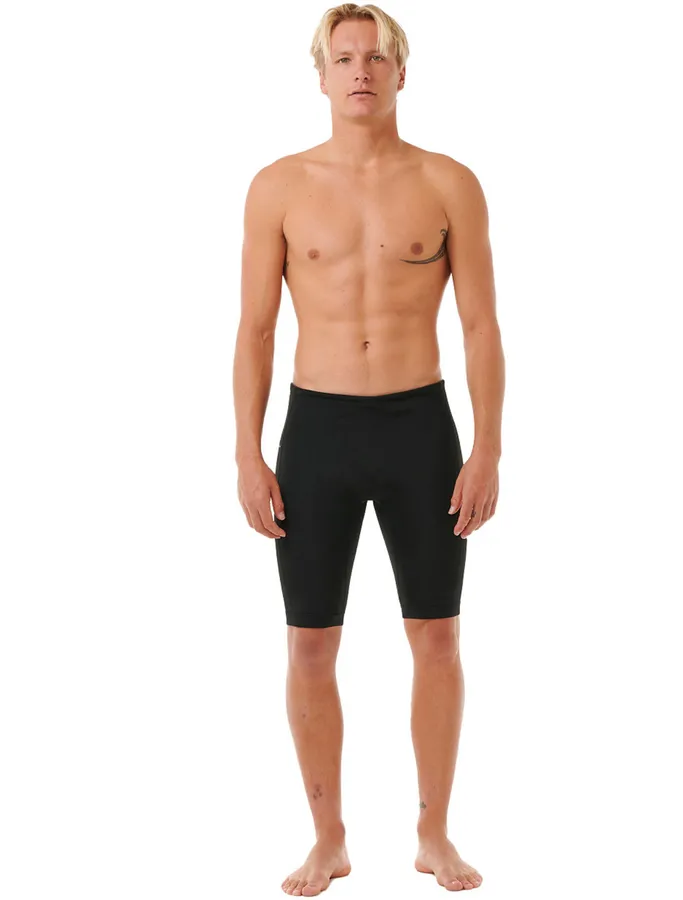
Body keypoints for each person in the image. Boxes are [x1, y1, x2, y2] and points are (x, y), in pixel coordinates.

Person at [233, 3, 504, 894]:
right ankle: (329, 840)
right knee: (310, 645)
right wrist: (247, 453)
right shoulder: (277, 186)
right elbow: (256, 331)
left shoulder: (449, 182)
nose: (361, 71)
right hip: (317, 433)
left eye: (376, 57)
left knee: (438, 636)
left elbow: (480, 327)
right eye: (344, 58)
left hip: (421, 428)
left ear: (401, 72)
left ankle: (434, 834)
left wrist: (487, 448)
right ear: (320, 76)